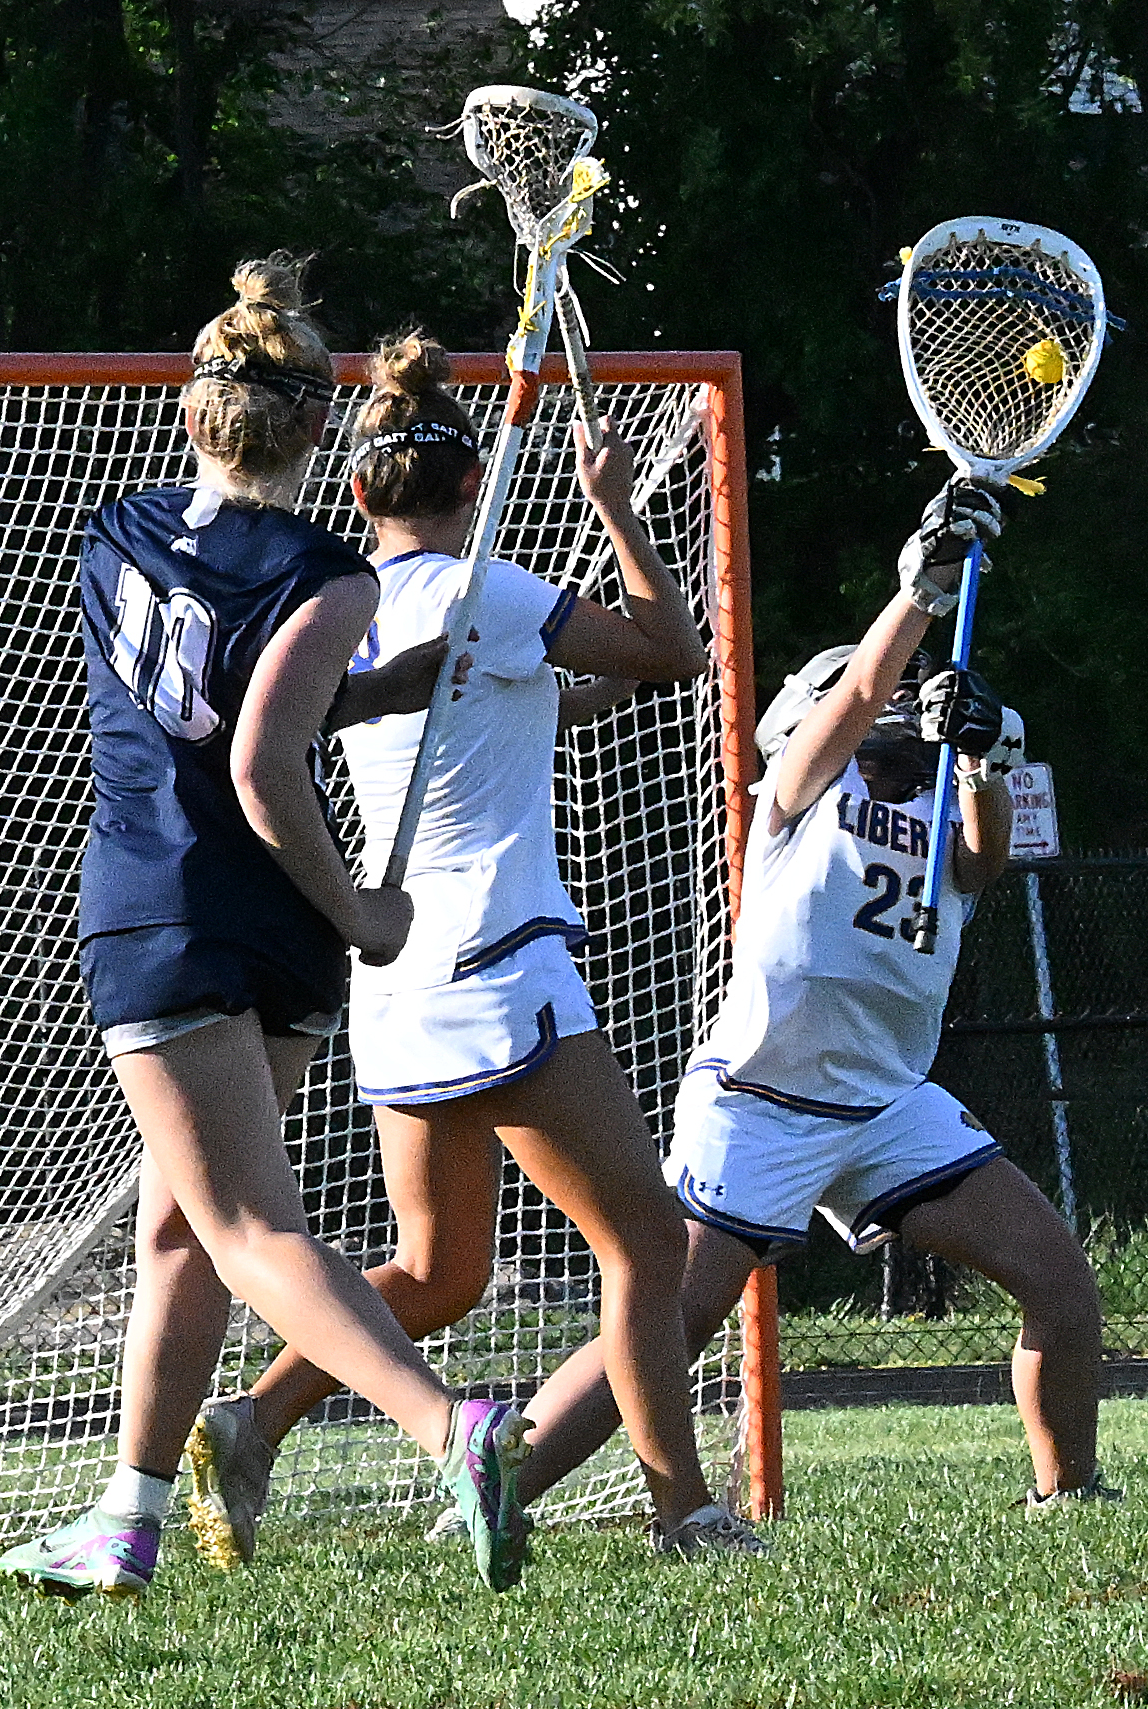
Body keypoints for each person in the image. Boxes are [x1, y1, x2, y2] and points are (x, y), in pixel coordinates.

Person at [181, 335, 763, 1570]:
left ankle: (251, 1417)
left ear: (357, 494)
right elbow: (672, 652)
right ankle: (685, 1515)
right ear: (470, 485)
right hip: (501, 964)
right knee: (650, 1246)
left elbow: (557, 688)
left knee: (441, 1269)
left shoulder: (337, 605)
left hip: (393, 978)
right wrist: (613, 510)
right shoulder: (489, 591)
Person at [0, 258, 530, 1599]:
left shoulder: (111, 535)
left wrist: (365, 903)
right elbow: (268, 736)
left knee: (238, 1225)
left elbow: (236, 755)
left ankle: (445, 1427)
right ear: (314, 431)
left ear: (195, 413)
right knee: (183, 1231)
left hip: (161, 911)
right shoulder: (327, 574)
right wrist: (352, 898)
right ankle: (127, 1518)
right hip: (276, 926)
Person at [453, 478, 1112, 1527]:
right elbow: (852, 704)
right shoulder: (802, 796)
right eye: (883, 693)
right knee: (674, 1314)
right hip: (762, 1098)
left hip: (886, 1098)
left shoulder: (943, 798)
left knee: (1059, 1281)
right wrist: (921, 594)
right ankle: (491, 1491)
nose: (902, 704)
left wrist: (988, 754)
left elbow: (984, 865)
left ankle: (1070, 1495)